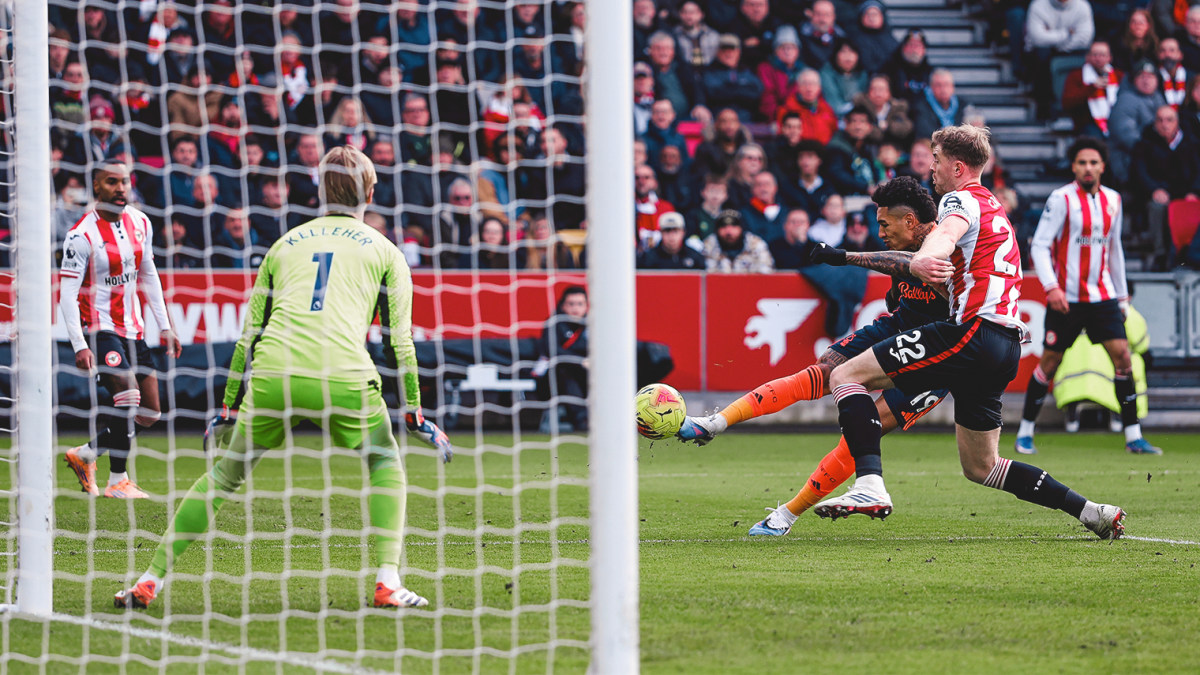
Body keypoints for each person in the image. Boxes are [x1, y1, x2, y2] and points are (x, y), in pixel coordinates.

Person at [114, 146, 452, 610]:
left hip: (275, 373)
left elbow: (248, 337)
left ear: (320, 191)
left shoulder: (284, 245)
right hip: (343, 375)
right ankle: (388, 581)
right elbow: (401, 343)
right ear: (371, 193)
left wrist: (228, 407)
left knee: (224, 475)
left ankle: (150, 579)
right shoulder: (386, 252)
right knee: (384, 461)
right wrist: (413, 415)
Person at [811, 125, 1126, 541]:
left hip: (972, 332)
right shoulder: (994, 205)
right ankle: (1091, 511)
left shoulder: (959, 199)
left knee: (844, 375)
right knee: (982, 467)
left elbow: (945, 234)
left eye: (937, 159)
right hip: (1004, 346)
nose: (932, 168)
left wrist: (926, 257)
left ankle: (870, 484)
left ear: (957, 167)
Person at [679, 177, 953, 535]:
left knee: (863, 432)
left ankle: (787, 515)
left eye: (885, 224)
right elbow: (902, 272)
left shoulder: (949, 242)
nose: (880, 232)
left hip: (939, 353)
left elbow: (913, 263)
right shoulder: (906, 243)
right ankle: (716, 422)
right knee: (824, 370)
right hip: (898, 327)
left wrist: (844, 257)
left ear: (910, 221)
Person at [1017, 137, 1162, 456]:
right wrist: (1051, 287)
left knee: (1123, 358)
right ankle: (1025, 432)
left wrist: (1121, 297)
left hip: (1103, 296)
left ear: (1102, 167)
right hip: (1066, 298)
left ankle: (1133, 436)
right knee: (1049, 362)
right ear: (1073, 166)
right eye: (1082, 162)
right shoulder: (1061, 199)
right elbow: (1039, 245)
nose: (1088, 168)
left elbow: (1114, 250)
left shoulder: (1113, 199)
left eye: (1093, 162)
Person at [61, 162, 183, 499]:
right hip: (100, 326)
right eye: (111, 182)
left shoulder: (140, 222)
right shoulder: (81, 235)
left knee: (150, 412)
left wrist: (165, 326)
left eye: (124, 182)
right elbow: (67, 295)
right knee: (128, 397)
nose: (120, 188)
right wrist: (79, 344)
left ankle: (86, 454)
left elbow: (149, 275)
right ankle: (118, 480)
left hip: (134, 328)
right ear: (96, 187)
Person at [535, 286, 590, 432]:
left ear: (586, 306)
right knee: (564, 369)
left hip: (585, 376)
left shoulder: (592, 325)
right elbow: (553, 351)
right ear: (563, 305)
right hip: (551, 379)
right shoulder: (554, 324)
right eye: (571, 304)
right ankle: (581, 419)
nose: (575, 308)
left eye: (580, 304)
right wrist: (580, 362)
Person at [1061, 41, 1124, 137]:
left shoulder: (1119, 75)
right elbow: (1067, 103)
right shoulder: (1076, 76)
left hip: (1116, 120)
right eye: (1095, 55)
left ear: (1110, 58)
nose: (1098, 58)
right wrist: (1091, 88)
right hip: (1087, 123)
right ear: (1087, 57)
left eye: (1102, 55)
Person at [702, 209, 774, 273]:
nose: (729, 231)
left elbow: (766, 274)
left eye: (734, 226)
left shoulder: (756, 244)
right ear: (717, 230)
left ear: (742, 228)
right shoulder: (708, 245)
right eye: (723, 226)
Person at [638, 211, 706, 269]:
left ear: (683, 232)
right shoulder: (648, 259)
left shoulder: (695, 257)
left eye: (675, 231)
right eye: (667, 231)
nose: (671, 236)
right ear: (661, 233)